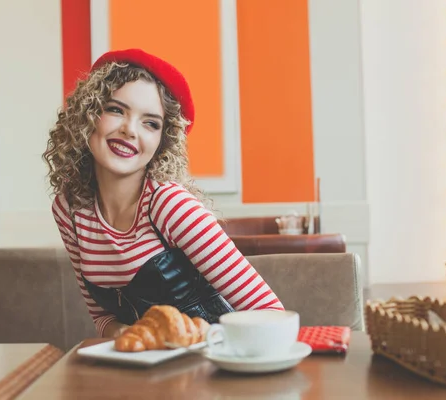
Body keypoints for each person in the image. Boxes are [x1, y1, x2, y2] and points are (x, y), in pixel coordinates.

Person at [43, 48, 284, 339]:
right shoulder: (69, 209)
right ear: (88, 116)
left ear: (161, 141)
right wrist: (135, 341)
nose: (130, 130)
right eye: (116, 109)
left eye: (150, 123)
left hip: (217, 367)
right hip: (144, 373)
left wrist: (191, 342)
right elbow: (102, 317)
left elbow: (270, 312)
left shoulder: (170, 205)